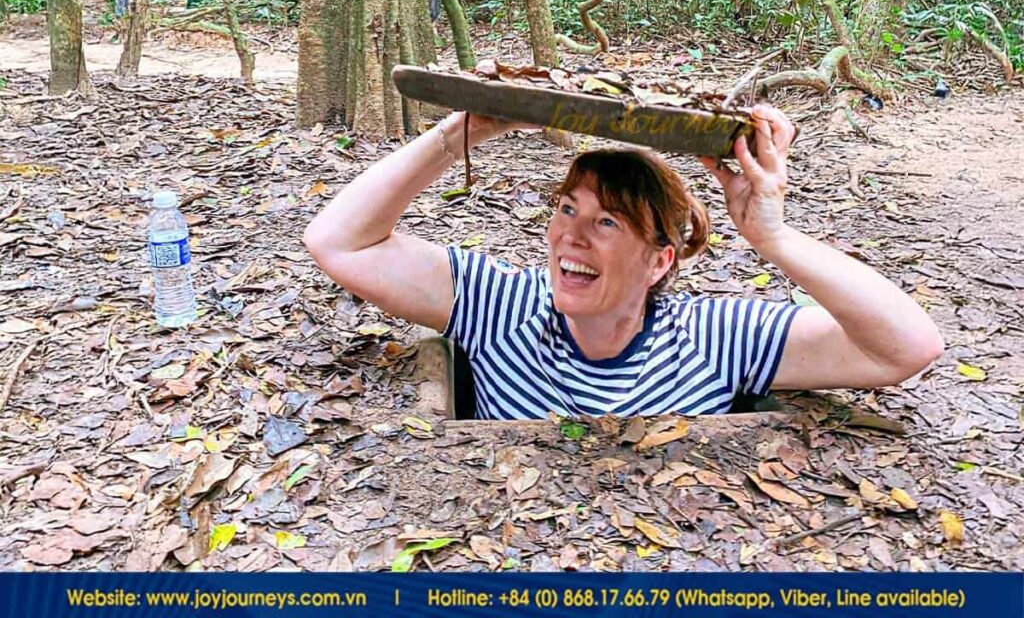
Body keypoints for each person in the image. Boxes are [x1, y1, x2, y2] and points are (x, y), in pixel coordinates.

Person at [303, 106, 944, 419]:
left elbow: (906, 348)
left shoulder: (713, 338)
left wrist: (774, 238)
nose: (572, 237)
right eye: (566, 210)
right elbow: (338, 241)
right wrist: (459, 135)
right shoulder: (502, 304)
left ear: (659, 261)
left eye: (607, 221)